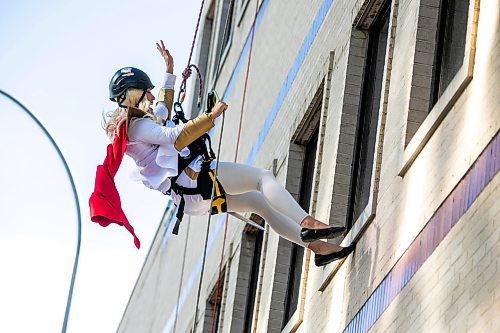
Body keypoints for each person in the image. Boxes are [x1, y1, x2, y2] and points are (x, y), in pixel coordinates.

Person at [91, 40, 355, 267]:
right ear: (133, 94)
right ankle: (306, 222)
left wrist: (169, 72)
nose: (150, 95)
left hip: (191, 194)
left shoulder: (136, 126)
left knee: (257, 203)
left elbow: (162, 110)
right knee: (261, 178)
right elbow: (176, 136)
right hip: (196, 179)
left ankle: (319, 249)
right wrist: (211, 116)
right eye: (145, 90)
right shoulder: (138, 128)